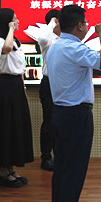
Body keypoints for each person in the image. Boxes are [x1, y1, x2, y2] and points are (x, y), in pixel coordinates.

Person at [46, 4, 101, 202]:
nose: (87, 26)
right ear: (79, 26)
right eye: (85, 23)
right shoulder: (74, 49)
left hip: (61, 113)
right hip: (75, 115)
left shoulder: (56, 47)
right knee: (74, 169)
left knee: (63, 168)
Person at [0, 8, 34, 187]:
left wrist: (22, 85)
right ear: (7, 22)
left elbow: (19, 65)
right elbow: (6, 49)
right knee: (6, 126)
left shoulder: (15, 40)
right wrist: (10, 29)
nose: (17, 21)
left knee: (16, 126)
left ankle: (11, 169)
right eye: (14, 19)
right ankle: (3, 173)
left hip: (16, 84)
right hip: (6, 86)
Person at [37, 9, 61, 171]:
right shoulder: (47, 39)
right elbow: (43, 38)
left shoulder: (65, 38)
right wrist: (52, 22)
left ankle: (60, 155)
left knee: (61, 121)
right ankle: (46, 157)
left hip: (63, 84)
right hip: (49, 83)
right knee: (49, 121)